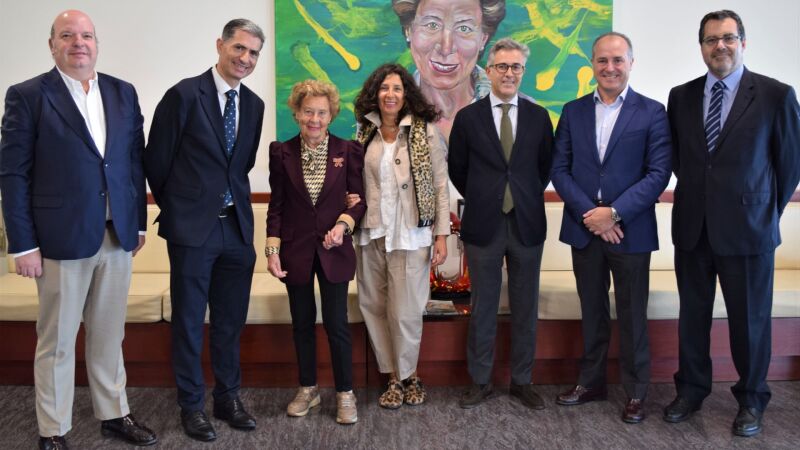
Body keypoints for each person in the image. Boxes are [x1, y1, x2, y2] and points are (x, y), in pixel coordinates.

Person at [0, 10, 156, 449]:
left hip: (116, 235)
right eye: (67, 35)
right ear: (52, 45)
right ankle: (53, 430)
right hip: (59, 238)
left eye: (86, 35)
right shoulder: (28, 95)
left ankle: (114, 413)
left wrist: (137, 222)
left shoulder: (122, 92)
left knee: (109, 334)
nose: (78, 42)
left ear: (97, 44)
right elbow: (13, 174)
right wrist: (22, 244)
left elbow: (133, 164)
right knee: (58, 341)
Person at [664, 10, 800, 437]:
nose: (719, 46)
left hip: (749, 230)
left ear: (743, 42)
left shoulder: (776, 95)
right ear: (701, 46)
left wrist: (764, 212)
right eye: (710, 39)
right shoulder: (681, 96)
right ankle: (691, 391)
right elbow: (681, 160)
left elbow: (789, 165)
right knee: (693, 318)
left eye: (727, 37)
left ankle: (752, 399)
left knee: (750, 322)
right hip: (693, 227)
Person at [144, 19, 265, 442]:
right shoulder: (183, 95)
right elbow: (156, 162)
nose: (245, 58)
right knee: (190, 322)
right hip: (192, 231)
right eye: (239, 48)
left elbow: (241, 165)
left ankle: (227, 398)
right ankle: (192, 405)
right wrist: (182, 209)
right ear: (220, 45)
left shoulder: (254, 105)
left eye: (253, 53)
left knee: (230, 322)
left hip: (236, 229)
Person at [550, 32, 671, 424]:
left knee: (633, 314)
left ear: (631, 63)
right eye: (602, 60)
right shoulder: (572, 111)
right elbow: (559, 170)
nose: (610, 67)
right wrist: (593, 214)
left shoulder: (652, 112)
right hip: (584, 228)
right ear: (592, 64)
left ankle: (636, 392)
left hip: (631, 230)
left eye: (618, 60)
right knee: (592, 310)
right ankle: (591, 382)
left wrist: (614, 214)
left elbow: (658, 173)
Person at [448, 37, 553, 410]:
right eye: (502, 66)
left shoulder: (539, 117)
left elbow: (544, 168)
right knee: (483, 306)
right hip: (483, 225)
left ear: (523, 72)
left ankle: (522, 381)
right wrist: (486, 195)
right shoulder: (468, 118)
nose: (509, 73)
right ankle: (480, 381)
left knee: (525, 307)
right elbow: (458, 169)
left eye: (516, 67)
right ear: (489, 71)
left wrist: (519, 195)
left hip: (527, 224)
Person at [350, 63, 450, 409]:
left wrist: (441, 235)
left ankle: (410, 375)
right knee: (374, 307)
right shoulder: (364, 133)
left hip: (410, 235)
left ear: (407, 94)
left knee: (406, 311)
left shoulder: (426, 132)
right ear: (374, 94)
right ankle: (392, 376)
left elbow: (440, 186)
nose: (390, 94)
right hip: (372, 233)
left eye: (397, 88)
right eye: (384, 88)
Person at [266, 80, 366, 425]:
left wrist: (342, 225)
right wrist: (272, 249)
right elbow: (276, 207)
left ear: (331, 115)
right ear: (296, 113)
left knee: (337, 324)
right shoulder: (281, 152)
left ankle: (345, 393)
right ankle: (308, 388)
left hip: (334, 251)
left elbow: (358, 201)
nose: (315, 119)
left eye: (322, 112)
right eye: (308, 111)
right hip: (295, 251)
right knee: (302, 324)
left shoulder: (348, 150)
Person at [392, 0, 506, 140]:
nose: (446, 48)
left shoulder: (519, 114)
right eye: (432, 25)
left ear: (483, 39)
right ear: (408, 30)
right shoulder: (381, 116)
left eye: (464, 28)